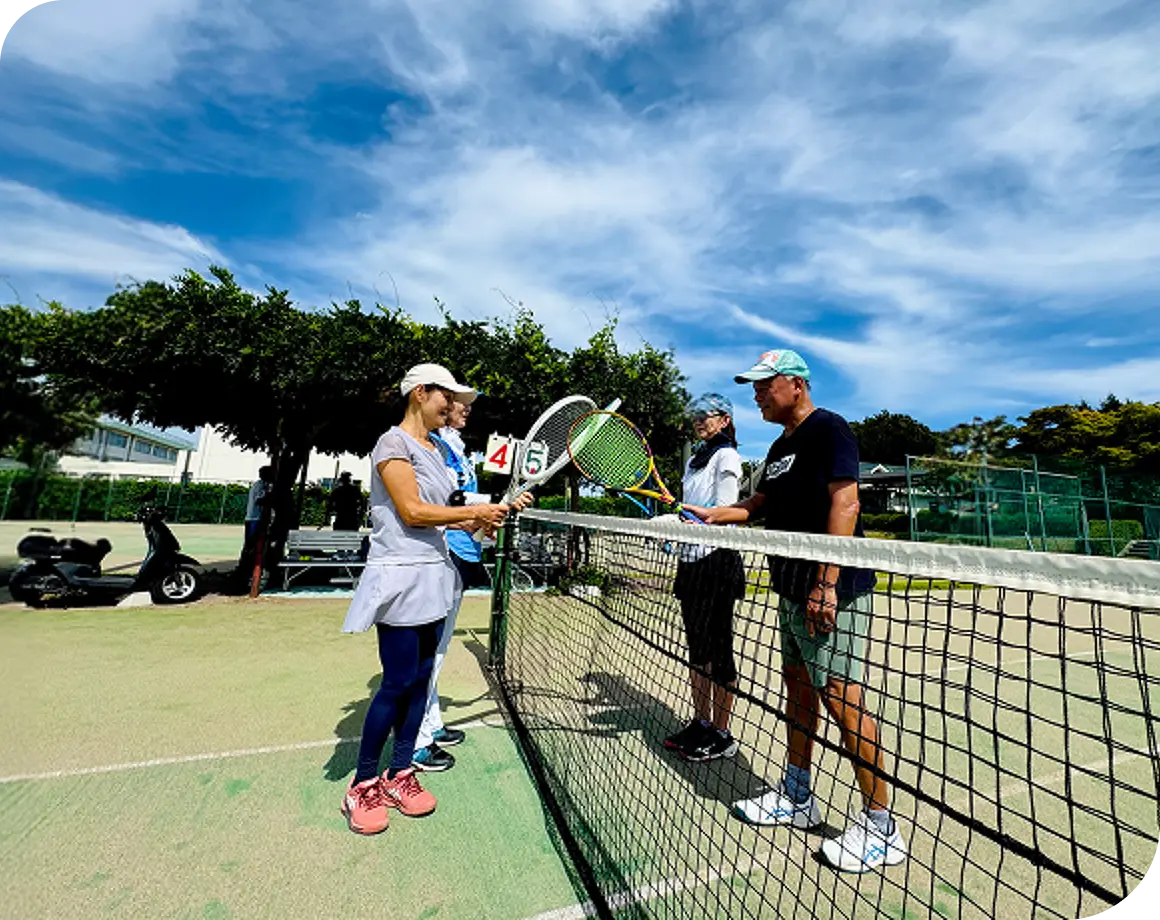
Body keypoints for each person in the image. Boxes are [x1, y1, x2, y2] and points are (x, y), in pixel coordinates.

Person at [685, 349, 907, 874]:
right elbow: (758, 505)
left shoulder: (830, 429)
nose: (757, 395)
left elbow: (846, 504)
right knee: (798, 687)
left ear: (796, 385)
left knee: (840, 697)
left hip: (832, 589)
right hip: (789, 586)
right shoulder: (780, 445)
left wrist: (826, 583)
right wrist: (720, 514)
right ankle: (798, 796)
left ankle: (882, 825)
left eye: (765, 385)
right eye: (754, 387)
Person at [338, 363, 511, 835]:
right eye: (445, 396)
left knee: (419, 680)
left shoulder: (436, 449)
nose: (452, 405)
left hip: (434, 574)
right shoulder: (391, 443)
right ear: (419, 393)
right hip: (399, 575)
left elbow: (449, 519)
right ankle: (363, 783)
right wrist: (472, 510)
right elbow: (413, 512)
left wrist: (486, 519)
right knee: (395, 683)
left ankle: (400, 774)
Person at [662, 393, 746, 763]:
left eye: (705, 415)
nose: (698, 421)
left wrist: (699, 518)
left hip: (717, 563)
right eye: (694, 415)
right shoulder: (695, 461)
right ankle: (701, 722)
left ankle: (722, 734)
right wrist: (678, 523)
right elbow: (693, 513)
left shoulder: (727, 455)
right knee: (697, 650)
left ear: (724, 420)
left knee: (719, 651)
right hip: (691, 562)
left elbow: (724, 511)